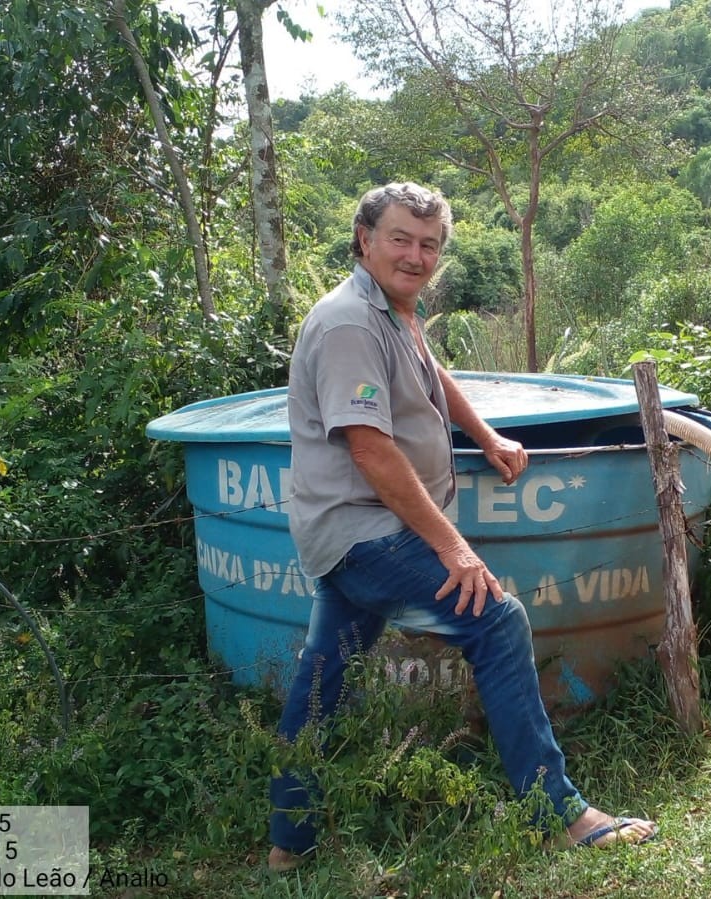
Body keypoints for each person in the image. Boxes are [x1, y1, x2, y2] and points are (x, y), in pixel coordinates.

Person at [268, 182, 656, 871]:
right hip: (363, 531)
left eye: (429, 244)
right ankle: (556, 810)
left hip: (356, 531)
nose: (415, 256)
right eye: (400, 239)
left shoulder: (392, 310)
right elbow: (369, 446)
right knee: (495, 619)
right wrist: (451, 546)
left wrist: (487, 434)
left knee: (325, 676)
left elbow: (430, 373)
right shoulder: (349, 324)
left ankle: (287, 843)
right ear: (365, 239)